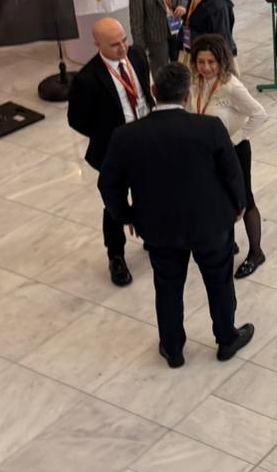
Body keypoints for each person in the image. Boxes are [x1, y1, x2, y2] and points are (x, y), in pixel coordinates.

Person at [99, 62, 253, 368]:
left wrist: (127, 216)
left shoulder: (126, 136)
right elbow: (232, 173)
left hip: (159, 227)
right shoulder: (209, 128)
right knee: (219, 282)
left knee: (167, 286)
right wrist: (239, 205)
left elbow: (108, 184)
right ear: (187, 95)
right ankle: (226, 339)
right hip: (210, 223)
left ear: (153, 92)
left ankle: (172, 349)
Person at [66, 17, 153, 286]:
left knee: (149, 192)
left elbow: (145, 92)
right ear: (97, 45)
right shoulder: (87, 78)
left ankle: (151, 234)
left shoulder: (137, 56)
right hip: (115, 150)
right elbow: (76, 120)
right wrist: (107, 134)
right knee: (114, 204)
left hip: (145, 139)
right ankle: (116, 255)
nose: (123, 48)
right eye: (115, 45)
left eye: (124, 40)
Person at [190, 34, 268, 278]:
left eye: (211, 62)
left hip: (234, 150)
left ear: (221, 61)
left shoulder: (231, 86)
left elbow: (259, 114)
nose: (205, 67)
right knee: (218, 195)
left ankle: (256, 252)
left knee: (244, 198)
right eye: (201, 62)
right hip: (209, 151)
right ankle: (228, 243)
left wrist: (233, 141)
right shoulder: (195, 82)